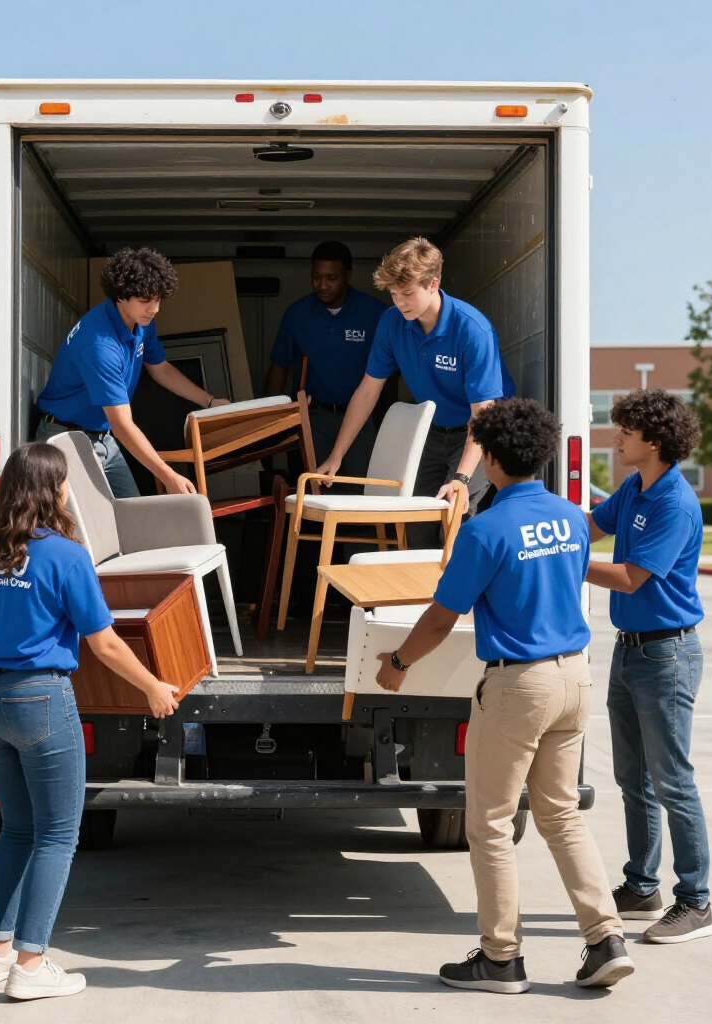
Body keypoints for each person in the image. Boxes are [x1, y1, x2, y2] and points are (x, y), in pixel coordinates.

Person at [375, 398, 633, 993]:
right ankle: (605, 939)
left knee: (490, 822)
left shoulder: (486, 528)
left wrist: (397, 663)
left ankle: (500, 958)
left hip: (519, 684)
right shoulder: (571, 517)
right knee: (562, 815)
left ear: (489, 458)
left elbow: (442, 618)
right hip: (574, 677)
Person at [0, 442, 180, 1000]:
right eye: (64, 482)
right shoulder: (65, 554)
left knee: (17, 828)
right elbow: (103, 642)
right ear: (53, 490)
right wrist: (153, 685)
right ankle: (31, 968)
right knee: (58, 835)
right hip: (39, 698)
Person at [587, 390, 712, 944]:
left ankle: (697, 902)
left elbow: (630, 577)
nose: (616, 438)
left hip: (668, 654)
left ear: (654, 442)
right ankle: (642, 886)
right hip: (629, 648)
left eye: (625, 432)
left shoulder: (674, 503)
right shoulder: (635, 489)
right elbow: (589, 527)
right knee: (631, 777)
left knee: (672, 781)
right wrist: (535, 523)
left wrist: (559, 558)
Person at [316, 237, 515, 546]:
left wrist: (460, 479)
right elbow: (368, 390)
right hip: (434, 430)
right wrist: (336, 456)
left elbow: (484, 414)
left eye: (407, 293)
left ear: (433, 283)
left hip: (483, 430)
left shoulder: (472, 329)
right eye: (394, 294)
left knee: (455, 515)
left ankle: (455, 594)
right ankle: (419, 595)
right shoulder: (391, 322)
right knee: (413, 520)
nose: (399, 302)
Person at [36, 247, 229, 498]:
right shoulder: (99, 345)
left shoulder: (141, 321)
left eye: (158, 299)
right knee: (85, 528)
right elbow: (122, 424)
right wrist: (168, 475)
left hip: (104, 437)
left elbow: (160, 369)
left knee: (132, 516)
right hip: (65, 438)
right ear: (120, 296)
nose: (154, 309)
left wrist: (210, 402)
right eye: (145, 301)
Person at [264, 241, 387, 478]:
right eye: (316, 277)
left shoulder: (375, 314)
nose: (322, 285)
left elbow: (389, 375)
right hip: (314, 417)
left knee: (362, 490)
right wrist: (272, 419)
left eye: (331, 278)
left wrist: (384, 414)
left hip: (361, 419)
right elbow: (280, 365)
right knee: (313, 487)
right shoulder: (297, 314)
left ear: (348, 276)